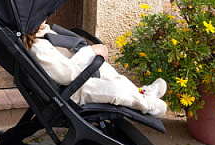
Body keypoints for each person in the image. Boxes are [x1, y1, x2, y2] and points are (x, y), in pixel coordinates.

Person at [23, 23, 167, 117]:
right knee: (115, 87)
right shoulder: (39, 49)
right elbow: (67, 75)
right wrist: (90, 51)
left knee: (106, 71)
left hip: (79, 79)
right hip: (73, 91)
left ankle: (140, 93)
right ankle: (147, 105)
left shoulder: (42, 34)